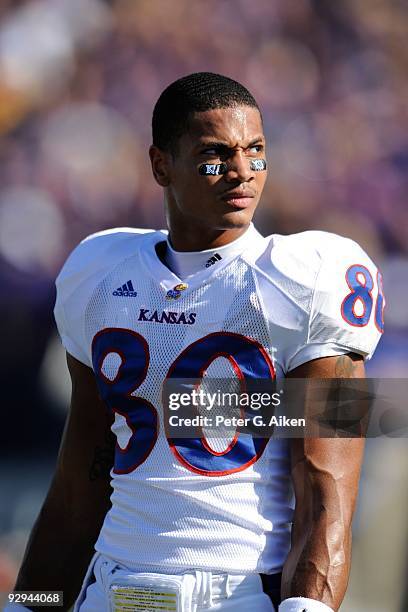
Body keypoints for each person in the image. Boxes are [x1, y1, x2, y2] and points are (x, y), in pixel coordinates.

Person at [6, 72, 384, 612]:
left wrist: (309, 608)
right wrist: (28, 603)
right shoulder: (99, 271)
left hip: (234, 593)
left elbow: (328, 491)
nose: (241, 172)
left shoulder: (309, 277)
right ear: (161, 164)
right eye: (215, 154)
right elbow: (78, 480)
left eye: (255, 151)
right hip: (112, 588)